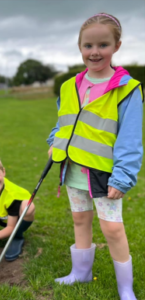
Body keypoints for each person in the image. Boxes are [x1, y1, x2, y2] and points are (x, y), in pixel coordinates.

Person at [47, 13, 143, 300]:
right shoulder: (68, 87)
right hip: (73, 169)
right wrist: (54, 142)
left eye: (103, 44)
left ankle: (125, 289)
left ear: (117, 46)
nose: (95, 52)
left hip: (105, 173)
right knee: (80, 221)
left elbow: (130, 139)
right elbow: (62, 122)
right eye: (88, 45)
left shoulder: (128, 89)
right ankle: (82, 273)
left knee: (112, 229)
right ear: (80, 47)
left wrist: (123, 177)